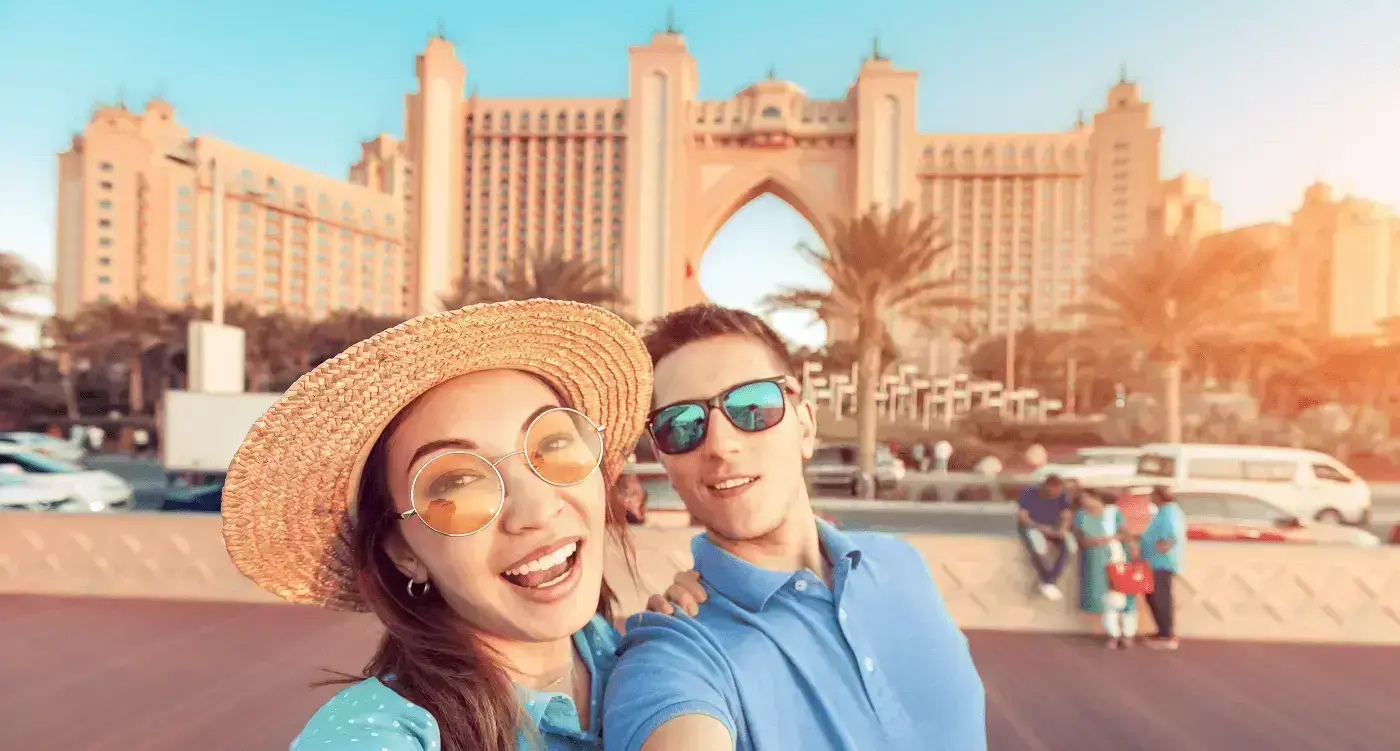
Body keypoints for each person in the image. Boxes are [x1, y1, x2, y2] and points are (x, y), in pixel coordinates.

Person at [219, 299, 708, 751]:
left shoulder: (645, 654)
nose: (535, 510)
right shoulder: (379, 733)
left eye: (554, 444)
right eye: (456, 484)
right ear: (401, 551)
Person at [603, 304, 986, 751]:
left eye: (752, 405)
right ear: (664, 459)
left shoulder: (901, 563)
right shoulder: (674, 654)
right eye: (682, 425)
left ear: (805, 425)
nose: (721, 445)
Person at [1073, 489, 1138, 649]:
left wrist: (1110, 539)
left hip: (1119, 559)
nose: (1085, 502)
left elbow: (1125, 534)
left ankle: (1128, 634)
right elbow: (1082, 539)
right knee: (1107, 601)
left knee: (1126, 600)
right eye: (1082, 499)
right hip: (1096, 562)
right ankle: (1113, 635)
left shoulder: (1113, 513)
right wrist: (1095, 541)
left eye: (1087, 498)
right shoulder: (1081, 515)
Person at [1139, 485, 1186, 651]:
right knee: (1153, 597)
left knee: (1161, 598)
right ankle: (1161, 631)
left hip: (1162, 562)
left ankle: (1167, 634)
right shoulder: (1162, 511)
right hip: (1153, 561)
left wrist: (1166, 544)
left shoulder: (1170, 511)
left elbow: (1172, 533)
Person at [1017, 474, 1075, 600]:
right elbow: (1023, 517)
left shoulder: (1063, 495)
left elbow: (1066, 514)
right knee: (1038, 549)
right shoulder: (1029, 493)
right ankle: (1048, 580)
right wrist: (1040, 527)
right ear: (1046, 486)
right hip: (1033, 526)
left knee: (1070, 547)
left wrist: (1063, 529)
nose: (1055, 494)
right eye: (1053, 491)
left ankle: (1049, 581)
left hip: (1054, 527)